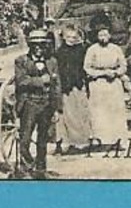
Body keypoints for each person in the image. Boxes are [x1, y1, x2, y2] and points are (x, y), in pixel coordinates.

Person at [12, 27, 62, 179]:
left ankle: (41, 168)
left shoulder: (52, 62)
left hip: (46, 103)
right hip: (29, 103)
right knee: (25, 138)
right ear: (31, 46)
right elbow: (21, 81)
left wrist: (57, 108)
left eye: (42, 45)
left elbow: (57, 85)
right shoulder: (22, 61)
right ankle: (26, 167)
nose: (39, 48)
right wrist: (41, 81)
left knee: (43, 139)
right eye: (36, 45)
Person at [84, 22, 130, 148]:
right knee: (99, 112)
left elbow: (123, 65)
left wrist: (116, 72)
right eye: (100, 35)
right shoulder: (92, 50)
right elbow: (87, 68)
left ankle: (117, 140)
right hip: (98, 84)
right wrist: (101, 73)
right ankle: (101, 139)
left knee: (115, 111)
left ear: (110, 35)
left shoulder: (116, 49)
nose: (103, 37)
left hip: (114, 84)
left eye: (105, 34)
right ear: (97, 36)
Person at [53, 23, 91, 153]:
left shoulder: (81, 50)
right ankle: (72, 141)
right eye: (68, 37)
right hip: (66, 86)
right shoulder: (59, 52)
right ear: (63, 37)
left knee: (81, 112)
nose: (71, 39)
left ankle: (82, 140)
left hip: (78, 84)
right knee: (68, 114)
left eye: (74, 37)